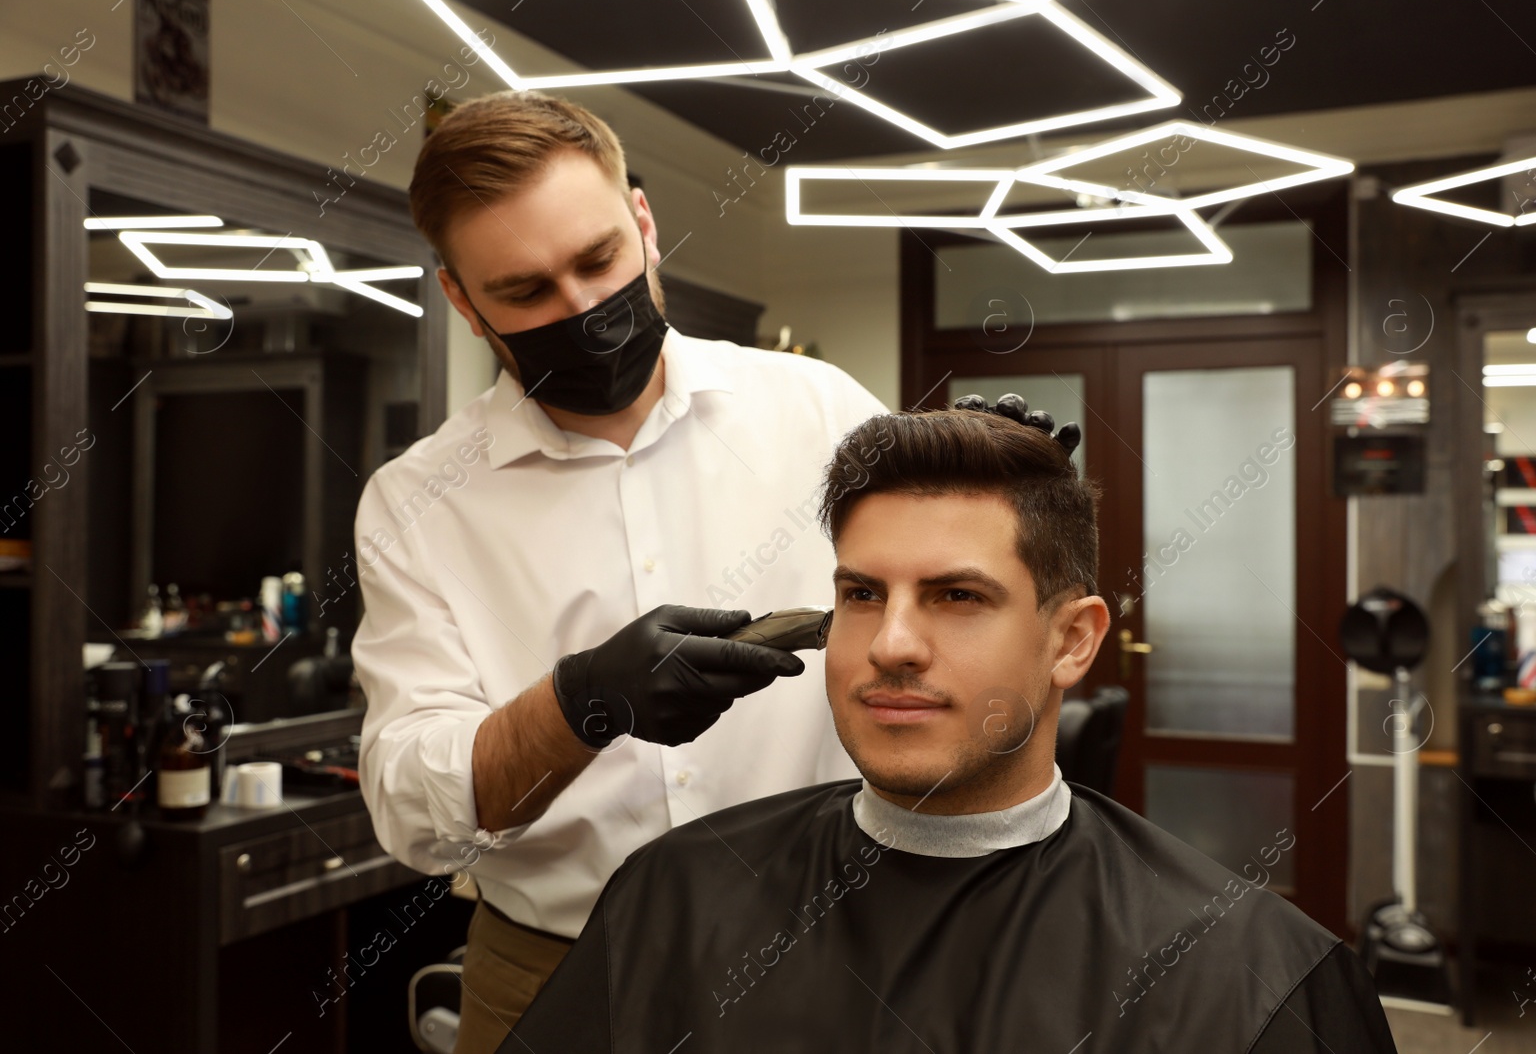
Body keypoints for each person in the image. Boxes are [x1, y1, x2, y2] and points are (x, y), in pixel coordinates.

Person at [499, 398, 1399, 1053]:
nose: (891, 644)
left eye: (957, 596)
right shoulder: (674, 896)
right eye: (861, 594)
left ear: (1072, 638)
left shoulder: (1254, 974)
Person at [350, 89, 887, 1054]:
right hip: (551, 976)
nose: (585, 311)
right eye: (525, 291)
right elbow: (408, 809)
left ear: (642, 220)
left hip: (826, 953)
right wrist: (579, 705)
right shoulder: (414, 502)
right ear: (462, 301)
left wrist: (1008, 499)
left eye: (599, 260)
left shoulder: (821, 410)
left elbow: (939, 623)